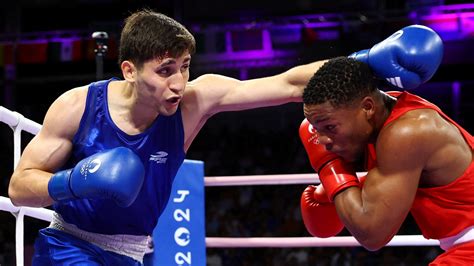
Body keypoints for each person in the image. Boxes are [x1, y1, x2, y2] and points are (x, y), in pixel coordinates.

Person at [8, 9, 329, 265]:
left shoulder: (194, 102)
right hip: (69, 244)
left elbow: (288, 85)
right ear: (130, 70)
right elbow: (18, 187)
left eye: (185, 67)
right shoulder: (77, 106)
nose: (178, 82)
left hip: (131, 254)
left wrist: (362, 64)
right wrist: (75, 182)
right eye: (165, 70)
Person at [299, 39, 474, 264]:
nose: (321, 140)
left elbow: (372, 234)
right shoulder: (382, 118)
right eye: (318, 128)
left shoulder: (406, 131)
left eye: (330, 127)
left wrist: (328, 166)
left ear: (368, 107)